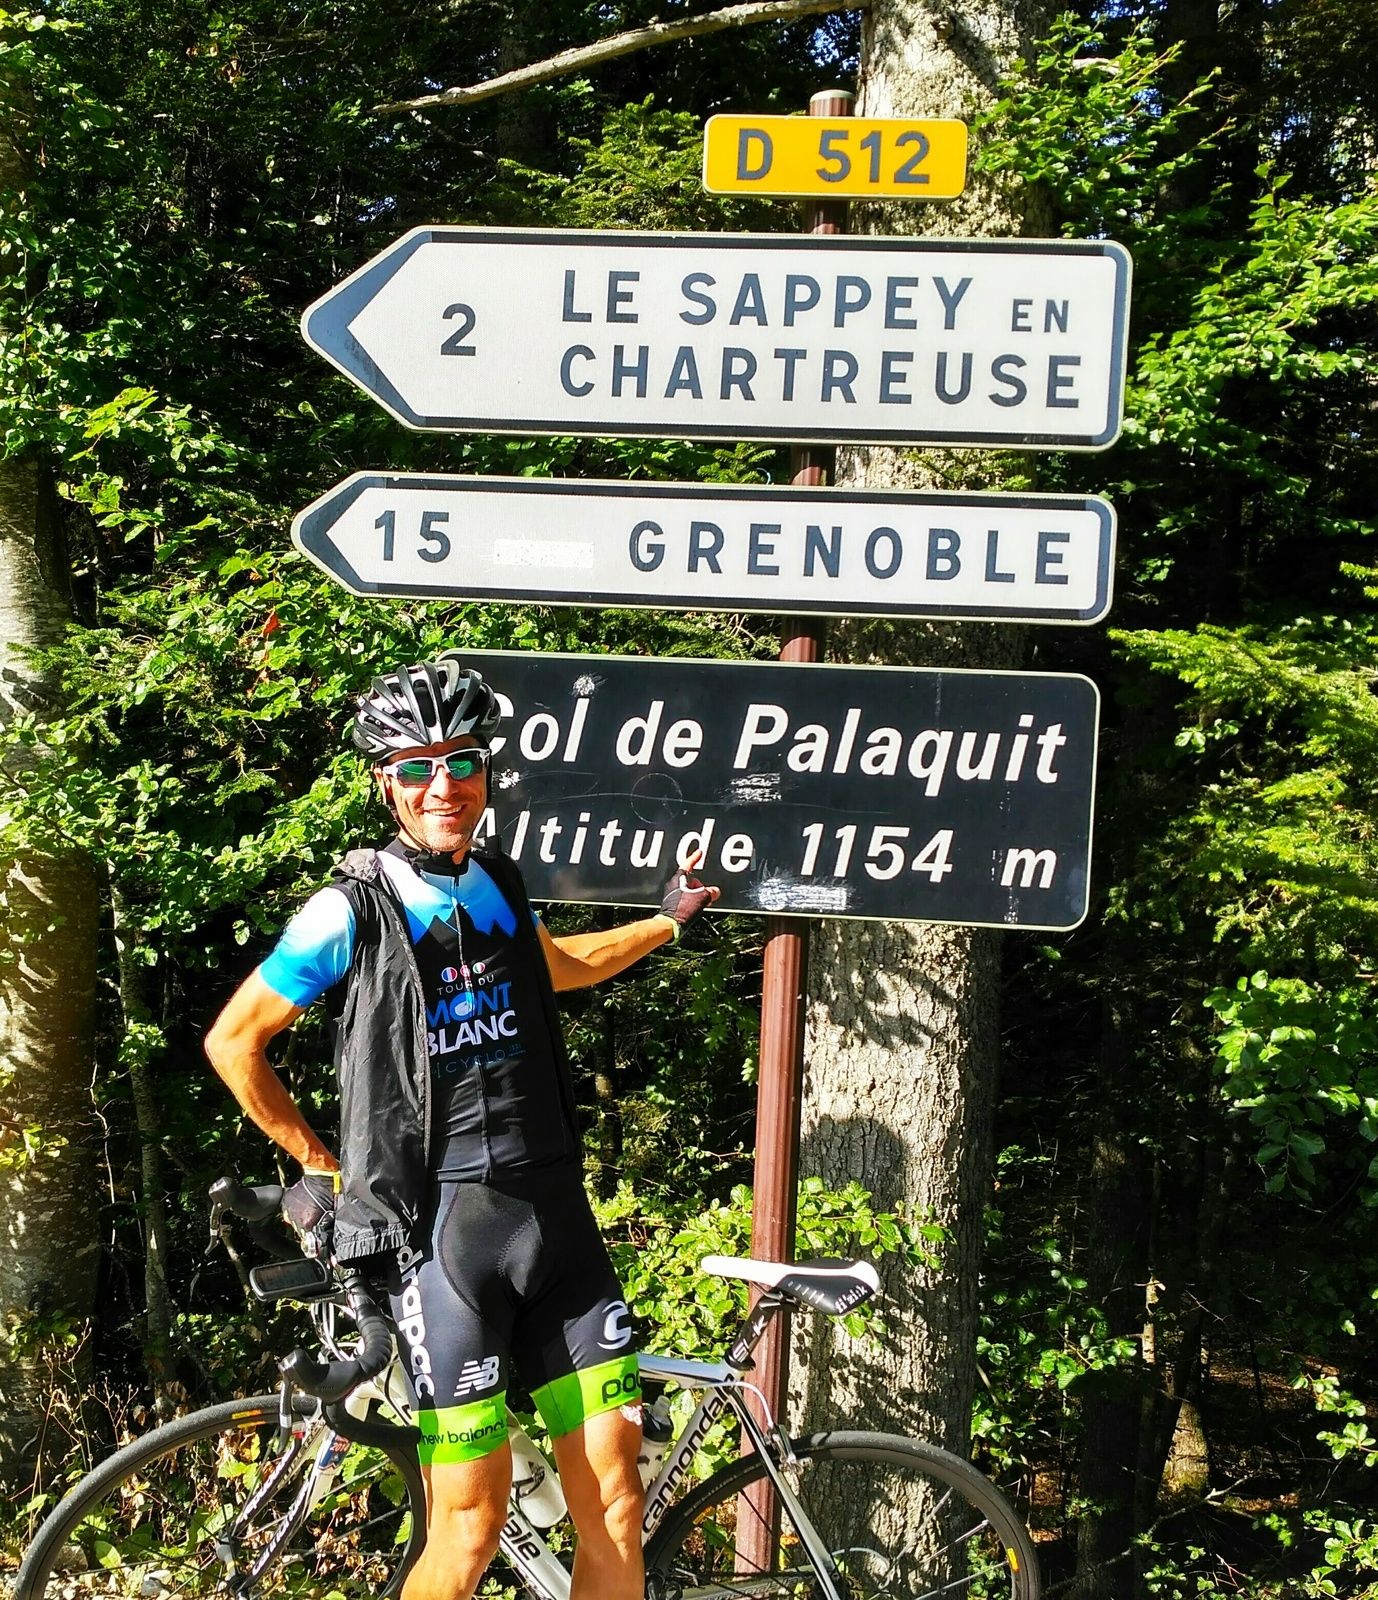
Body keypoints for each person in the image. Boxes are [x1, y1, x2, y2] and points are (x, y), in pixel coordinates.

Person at [204, 652, 718, 1600]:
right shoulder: (348, 909)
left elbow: (556, 967)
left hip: (555, 1222)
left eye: (462, 761)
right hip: (442, 1246)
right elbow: (235, 1043)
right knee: (470, 1528)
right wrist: (323, 1168)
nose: (443, 784)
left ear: (486, 773)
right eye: (415, 766)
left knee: (614, 1503)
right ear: (384, 783)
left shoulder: (499, 883)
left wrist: (668, 923)